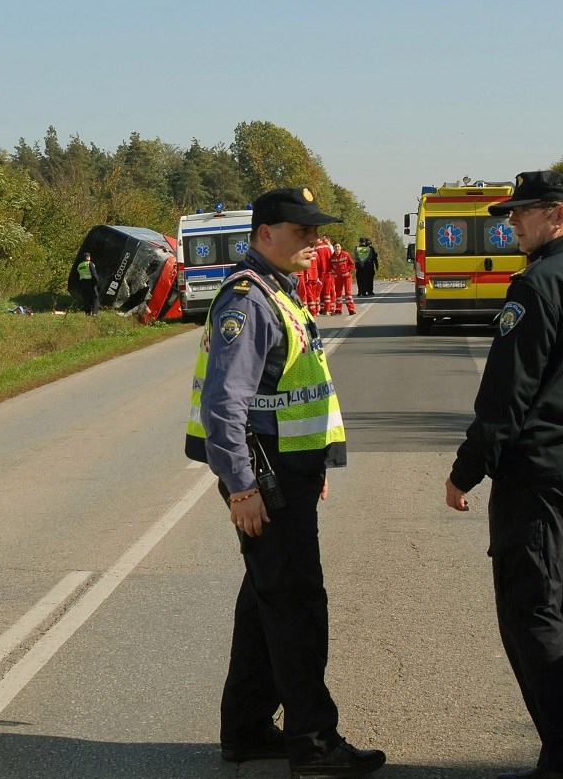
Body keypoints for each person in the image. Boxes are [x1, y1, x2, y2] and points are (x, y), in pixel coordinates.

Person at [444, 171, 563, 779]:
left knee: (534, 615)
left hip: (542, 479)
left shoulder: (536, 286)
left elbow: (505, 396)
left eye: (522, 214)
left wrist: (466, 471)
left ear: (559, 214)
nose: (512, 224)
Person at [186, 186, 386, 778]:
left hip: (286, 471)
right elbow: (226, 405)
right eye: (303, 232)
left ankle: (246, 729)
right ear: (265, 233)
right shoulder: (249, 301)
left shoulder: (278, 293)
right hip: (264, 477)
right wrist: (244, 489)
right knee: (297, 603)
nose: (315, 241)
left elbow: (292, 393)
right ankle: (314, 742)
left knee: (265, 598)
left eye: (316, 232)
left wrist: (313, 463)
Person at [328, 241, 357, 315]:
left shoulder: (346, 255)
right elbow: (329, 266)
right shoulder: (332, 257)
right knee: (338, 294)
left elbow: (352, 264)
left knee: (348, 294)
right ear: (333, 248)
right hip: (337, 278)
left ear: (341, 247)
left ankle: (351, 309)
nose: (337, 248)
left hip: (347, 277)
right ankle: (338, 310)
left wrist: (347, 270)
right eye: (335, 247)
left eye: (338, 246)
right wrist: (333, 272)